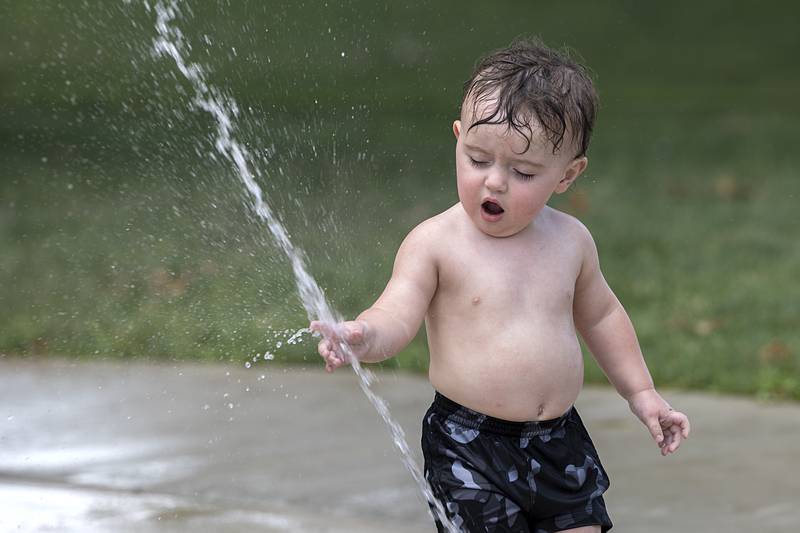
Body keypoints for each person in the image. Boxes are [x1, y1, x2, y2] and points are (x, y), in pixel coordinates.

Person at [310, 38, 690, 533]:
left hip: (558, 439)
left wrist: (643, 394)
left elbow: (601, 316)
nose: (495, 182)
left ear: (567, 175)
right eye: (477, 159)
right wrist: (361, 335)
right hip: (469, 447)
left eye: (523, 171)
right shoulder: (436, 243)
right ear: (458, 138)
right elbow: (396, 315)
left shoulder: (571, 241)